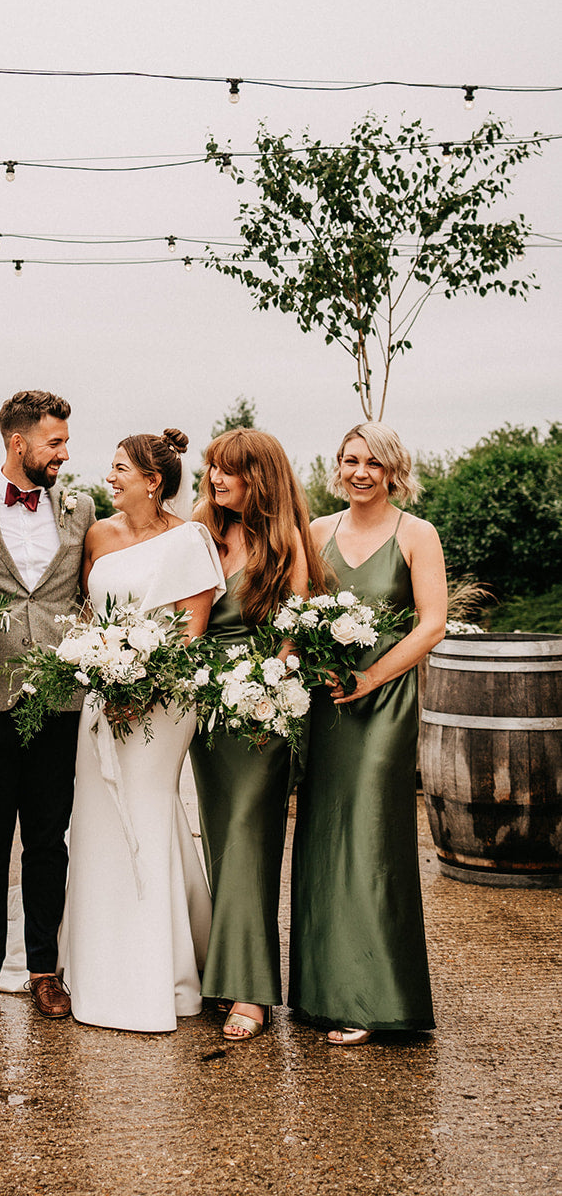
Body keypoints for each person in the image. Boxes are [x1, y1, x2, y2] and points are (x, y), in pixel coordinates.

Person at [58, 430, 225, 1031]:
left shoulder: (189, 540)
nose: (111, 477)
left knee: (149, 811)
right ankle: (97, 964)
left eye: (121, 468)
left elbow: (190, 633)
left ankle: (165, 973)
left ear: (154, 481)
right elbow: (85, 613)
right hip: (103, 692)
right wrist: (98, 666)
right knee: (97, 815)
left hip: (164, 701)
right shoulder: (99, 534)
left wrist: (144, 688)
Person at [0, 390, 95, 1021]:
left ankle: (43, 970)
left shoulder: (82, 507)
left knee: (48, 839)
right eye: (54, 442)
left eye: (64, 441)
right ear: (17, 443)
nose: (63, 453)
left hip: (59, 700)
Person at [288, 421, 446, 1044]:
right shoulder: (318, 533)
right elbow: (296, 619)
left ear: (392, 471)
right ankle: (322, 991)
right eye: (350, 460)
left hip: (383, 701)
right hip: (326, 702)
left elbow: (432, 625)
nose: (360, 472)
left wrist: (372, 676)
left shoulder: (417, 534)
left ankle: (375, 996)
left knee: (373, 835)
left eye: (373, 463)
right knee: (324, 833)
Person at [188, 427, 331, 1041]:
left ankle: (252, 992)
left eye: (231, 471)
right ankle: (227, 975)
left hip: (262, 711)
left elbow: (293, 638)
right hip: (206, 712)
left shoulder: (286, 542)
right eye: (213, 469)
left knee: (250, 838)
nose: (218, 480)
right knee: (221, 841)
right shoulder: (203, 533)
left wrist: (266, 694)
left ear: (261, 477)